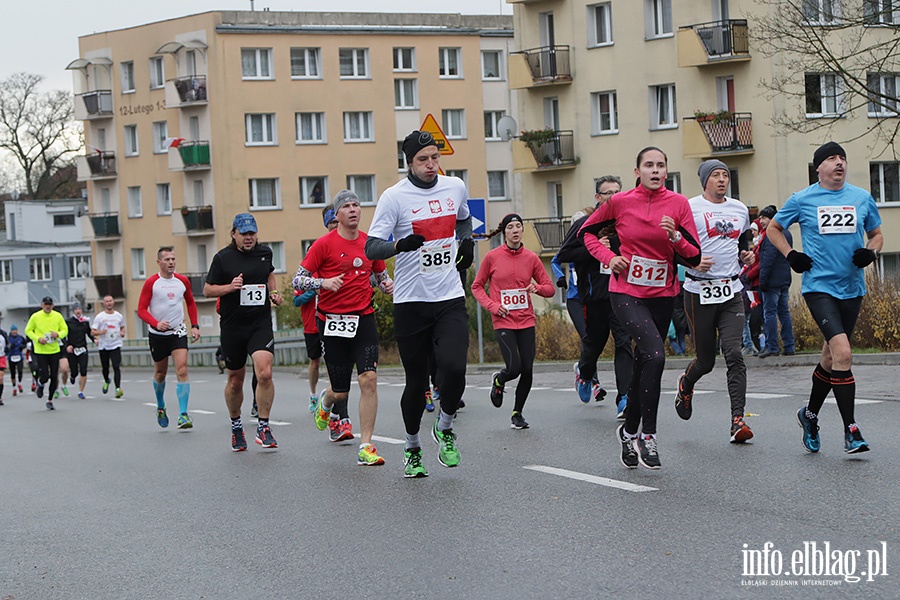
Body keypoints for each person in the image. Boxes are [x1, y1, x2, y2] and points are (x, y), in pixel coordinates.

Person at [578, 147, 701, 470]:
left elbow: (694, 256)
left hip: (662, 293)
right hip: (626, 291)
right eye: (649, 165)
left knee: (645, 362)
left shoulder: (679, 204)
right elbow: (585, 234)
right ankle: (648, 435)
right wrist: (609, 258)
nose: (655, 170)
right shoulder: (619, 202)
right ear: (638, 171)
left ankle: (627, 430)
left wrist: (675, 238)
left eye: (661, 165)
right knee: (656, 355)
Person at [364, 129, 474, 478]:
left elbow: (463, 217)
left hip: (449, 296)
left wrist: (467, 240)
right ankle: (412, 447)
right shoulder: (394, 198)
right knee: (416, 383)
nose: (431, 165)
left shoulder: (454, 186)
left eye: (435, 158)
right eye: (423, 160)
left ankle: (444, 426)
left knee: (455, 367)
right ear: (409, 162)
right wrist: (400, 246)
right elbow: (371, 248)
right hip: (411, 301)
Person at [766, 141, 883, 454]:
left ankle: (809, 415)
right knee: (843, 352)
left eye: (842, 158)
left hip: (852, 288)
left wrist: (871, 252)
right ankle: (851, 430)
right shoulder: (802, 199)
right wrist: (791, 255)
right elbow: (773, 229)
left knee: (832, 357)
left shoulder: (861, 197)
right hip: (818, 287)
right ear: (818, 167)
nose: (839, 163)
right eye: (832, 158)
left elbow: (877, 234)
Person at [293, 190, 394, 465]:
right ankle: (326, 405)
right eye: (347, 206)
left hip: (364, 318)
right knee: (340, 390)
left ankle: (366, 445)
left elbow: (381, 276)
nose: (353, 210)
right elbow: (297, 281)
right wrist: (322, 283)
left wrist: (387, 285)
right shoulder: (323, 245)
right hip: (333, 322)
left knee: (368, 380)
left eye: (356, 205)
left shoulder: (370, 243)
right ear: (336, 215)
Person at [673, 160, 756, 443]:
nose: (722, 180)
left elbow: (742, 242)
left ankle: (737, 420)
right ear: (704, 181)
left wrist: (747, 255)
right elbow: (676, 248)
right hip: (699, 291)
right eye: (715, 175)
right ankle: (686, 384)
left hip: (731, 290)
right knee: (706, 361)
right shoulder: (689, 208)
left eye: (725, 175)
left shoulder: (739, 209)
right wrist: (693, 260)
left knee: (734, 353)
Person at [204, 213, 284, 452]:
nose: (249, 238)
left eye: (252, 233)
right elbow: (208, 290)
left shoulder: (265, 253)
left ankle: (263, 426)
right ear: (234, 234)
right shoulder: (223, 258)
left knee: (265, 373)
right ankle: (237, 425)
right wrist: (230, 287)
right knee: (235, 381)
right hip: (233, 327)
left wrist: (274, 292)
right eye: (244, 233)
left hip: (259, 324)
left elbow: (269, 273)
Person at [558, 176, 634, 417]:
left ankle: (624, 397)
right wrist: (594, 250)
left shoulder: (626, 222)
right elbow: (565, 254)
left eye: (616, 192)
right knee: (594, 345)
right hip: (595, 297)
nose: (612, 196)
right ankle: (585, 372)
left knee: (624, 343)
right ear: (598, 197)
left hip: (622, 293)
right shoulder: (585, 223)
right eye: (607, 192)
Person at [472, 213, 554, 429]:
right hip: (503, 320)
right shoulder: (492, 257)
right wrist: (493, 306)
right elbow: (477, 286)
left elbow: (549, 288)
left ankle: (517, 413)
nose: (515, 230)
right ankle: (499, 380)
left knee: (527, 369)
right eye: (511, 227)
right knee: (514, 367)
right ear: (504, 232)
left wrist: (537, 288)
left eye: (519, 226)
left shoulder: (531, 258)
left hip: (526, 320)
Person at [138, 246, 201, 430]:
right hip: (158, 335)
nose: (171, 262)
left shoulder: (182, 281)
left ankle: (183, 414)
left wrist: (194, 325)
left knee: (182, 369)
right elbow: (141, 310)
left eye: (173, 259)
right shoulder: (152, 283)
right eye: (167, 259)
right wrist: (156, 323)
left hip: (178, 332)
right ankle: (160, 406)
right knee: (160, 373)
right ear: (159, 262)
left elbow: (190, 302)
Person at [756, 205, 795, 358]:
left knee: (770, 313)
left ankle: (772, 346)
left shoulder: (773, 234)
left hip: (772, 281)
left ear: (771, 218)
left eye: (763, 218)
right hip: (784, 278)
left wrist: (762, 280)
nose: (761, 221)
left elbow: (768, 260)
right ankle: (789, 345)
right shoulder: (787, 233)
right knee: (784, 313)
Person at [25, 297, 68, 410]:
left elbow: (65, 330)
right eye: (46, 304)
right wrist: (37, 339)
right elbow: (28, 330)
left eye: (50, 304)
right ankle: (41, 383)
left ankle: (49, 400)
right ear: (42, 305)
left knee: (54, 376)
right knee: (45, 375)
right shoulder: (35, 316)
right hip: (41, 351)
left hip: (54, 350)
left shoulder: (57, 316)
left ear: (53, 305)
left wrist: (58, 334)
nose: (48, 306)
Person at [91, 295, 125, 397]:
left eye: (110, 301)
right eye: (107, 301)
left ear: (113, 302)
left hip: (116, 344)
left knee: (116, 366)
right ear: (104, 304)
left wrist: (122, 333)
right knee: (105, 368)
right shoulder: (100, 317)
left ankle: (117, 388)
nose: (109, 303)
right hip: (104, 346)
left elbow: (123, 328)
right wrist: (101, 332)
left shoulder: (119, 316)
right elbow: (92, 332)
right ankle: (106, 380)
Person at [65, 303, 93, 399]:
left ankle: (81, 391)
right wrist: (67, 346)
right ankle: (73, 376)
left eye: (79, 309)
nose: (78, 311)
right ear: (73, 311)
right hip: (72, 349)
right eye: (76, 309)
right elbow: (63, 335)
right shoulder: (68, 321)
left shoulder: (85, 321)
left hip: (83, 348)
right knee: (74, 371)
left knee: (83, 370)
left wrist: (95, 339)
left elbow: (89, 332)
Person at [7, 325, 26, 397]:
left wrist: (22, 347)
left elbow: (25, 343)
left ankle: (19, 383)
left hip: (19, 356)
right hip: (11, 357)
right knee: (13, 373)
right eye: (13, 330)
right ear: (11, 331)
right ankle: (14, 387)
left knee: (20, 371)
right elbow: (6, 347)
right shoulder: (8, 338)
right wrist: (9, 347)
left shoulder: (20, 337)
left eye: (15, 330)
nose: (14, 331)